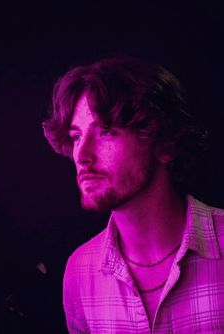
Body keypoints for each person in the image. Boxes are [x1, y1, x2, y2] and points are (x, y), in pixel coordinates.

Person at [43, 56, 224, 333]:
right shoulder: (80, 272)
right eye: (77, 136)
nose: (81, 155)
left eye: (105, 131)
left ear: (163, 144)